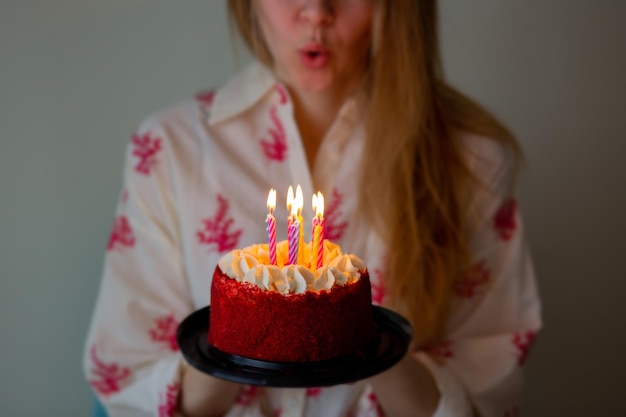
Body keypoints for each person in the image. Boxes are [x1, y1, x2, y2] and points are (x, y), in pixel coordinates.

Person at [83, 0, 541, 416]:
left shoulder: (470, 161)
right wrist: (250, 329)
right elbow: (128, 380)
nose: (317, 10)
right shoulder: (170, 150)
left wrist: (351, 333)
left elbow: (487, 394)